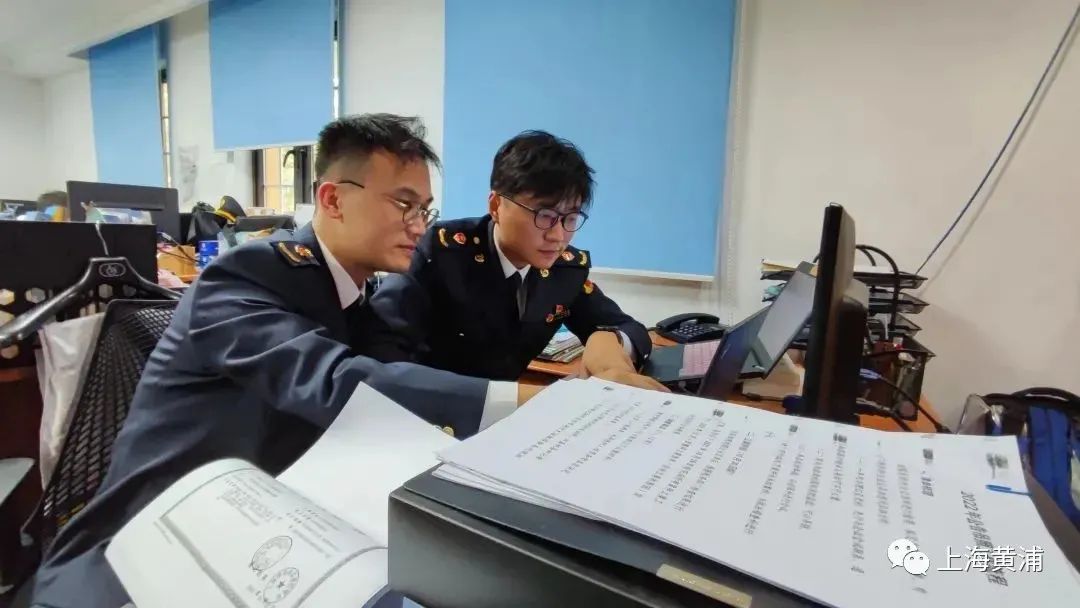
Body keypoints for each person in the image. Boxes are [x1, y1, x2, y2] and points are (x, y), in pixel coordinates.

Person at [31, 114, 547, 608]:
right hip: (151, 548)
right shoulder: (246, 274)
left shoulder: (359, 298)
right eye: (404, 204)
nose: (418, 226)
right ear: (333, 199)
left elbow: (392, 383)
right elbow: (331, 381)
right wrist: (523, 404)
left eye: (425, 210)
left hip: (262, 528)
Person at [361, 130, 666, 392]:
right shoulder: (439, 252)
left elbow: (630, 327)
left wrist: (611, 342)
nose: (558, 235)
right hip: (427, 415)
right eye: (544, 215)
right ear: (496, 205)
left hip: (506, 418)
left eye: (571, 218)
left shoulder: (564, 270)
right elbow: (380, 349)